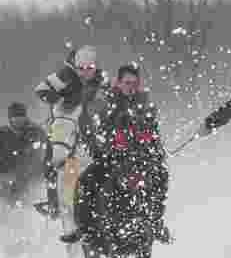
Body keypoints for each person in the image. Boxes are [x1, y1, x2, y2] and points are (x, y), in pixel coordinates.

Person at [63, 63, 170, 245]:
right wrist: (111, 138)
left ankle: (156, 221)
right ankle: (84, 227)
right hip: (112, 156)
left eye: (134, 83)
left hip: (141, 156)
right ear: (118, 83)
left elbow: (153, 132)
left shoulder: (145, 103)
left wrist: (153, 147)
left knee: (161, 175)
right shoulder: (106, 102)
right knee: (85, 181)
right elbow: (98, 128)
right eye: (127, 83)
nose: (131, 87)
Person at [32, 45, 108, 219]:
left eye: (90, 68)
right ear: (75, 65)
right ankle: (54, 204)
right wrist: (61, 99)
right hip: (64, 123)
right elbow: (41, 90)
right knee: (52, 161)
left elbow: (107, 99)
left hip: (89, 125)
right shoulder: (64, 75)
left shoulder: (101, 79)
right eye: (81, 68)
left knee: (103, 157)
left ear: (95, 66)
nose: (85, 72)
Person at [0, 102, 49, 210]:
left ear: (26, 117)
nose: (18, 121)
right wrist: (5, 154)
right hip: (7, 176)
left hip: (32, 178)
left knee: (36, 193)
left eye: (21, 117)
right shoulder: (0, 134)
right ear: (10, 119)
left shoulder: (36, 132)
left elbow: (45, 155)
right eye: (15, 117)